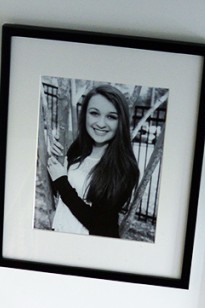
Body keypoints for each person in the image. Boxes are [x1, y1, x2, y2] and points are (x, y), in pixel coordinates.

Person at [46, 84, 139, 238]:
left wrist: (61, 181)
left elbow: (99, 224)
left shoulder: (125, 167)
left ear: (120, 121)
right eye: (94, 113)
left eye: (111, 116)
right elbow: (59, 190)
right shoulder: (78, 149)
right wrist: (54, 165)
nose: (101, 123)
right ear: (85, 115)